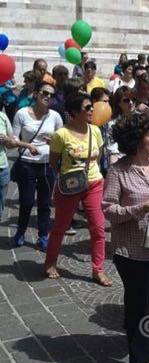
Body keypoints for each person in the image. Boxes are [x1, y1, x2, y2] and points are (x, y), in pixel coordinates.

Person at [102, 111, 149, 363]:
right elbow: (108, 209)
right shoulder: (119, 171)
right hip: (130, 250)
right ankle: (140, 358)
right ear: (135, 139)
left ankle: (133, 323)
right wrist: (138, 209)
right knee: (139, 304)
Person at [45, 91, 112, 286]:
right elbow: (54, 163)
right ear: (74, 112)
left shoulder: (95, 131)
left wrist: (89, 173)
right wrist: (70, 175)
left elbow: (98, 156)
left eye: (92, 106)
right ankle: (50, 262)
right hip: (69, 186)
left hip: (94, 184)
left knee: (98, 228)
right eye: (87, 108)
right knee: (60, 226)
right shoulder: (61, 134)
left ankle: (97, 269)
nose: (92, 110)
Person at [11, 81, 63, 249]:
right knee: (26, 202)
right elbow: (13, 140)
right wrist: (28, 146)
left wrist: (53, 140)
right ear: (35, 94)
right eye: (44, 93)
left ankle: (42, 236)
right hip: (27, 164)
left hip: (47, 165)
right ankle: (20, 231)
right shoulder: (21, 114)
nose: (48, 97)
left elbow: (63, 140)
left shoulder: (55, 116)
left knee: (45, 203)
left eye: (51, 95)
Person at [105, 86, 135, 165]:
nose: (131, 102)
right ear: (118, 103)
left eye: (133, 99)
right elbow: (113, 149)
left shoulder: (141, 118)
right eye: (126, 100)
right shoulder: (113, 124)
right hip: (121, 161)